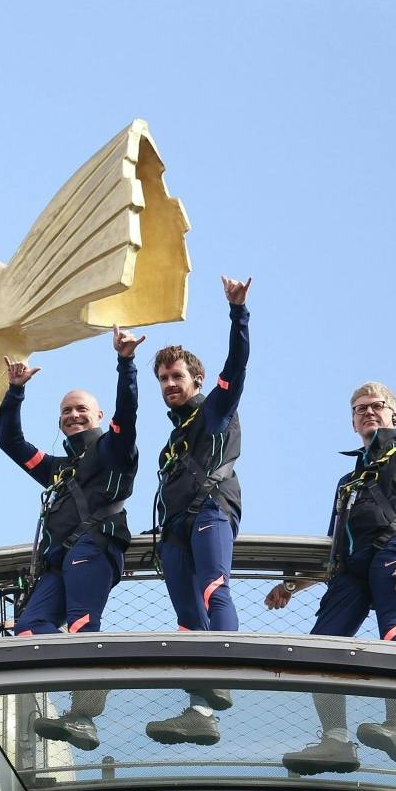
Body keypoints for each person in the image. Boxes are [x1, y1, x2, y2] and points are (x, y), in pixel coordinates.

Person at [272, 381, 396, 774]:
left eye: (376, 406)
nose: (368, 412)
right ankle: (335, 741)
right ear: (352, 421)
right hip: (349, 570)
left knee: (394, 634)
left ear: (393, 416)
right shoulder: (347, 482)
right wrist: (293, 586)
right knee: (320, 648)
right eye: (359, 409)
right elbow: (334, 550)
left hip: (393, 553)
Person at [0, 324, 142, 750]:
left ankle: (84, 716)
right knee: (28, 631)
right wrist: (15, 391)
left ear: (97, 417)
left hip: (95, 546)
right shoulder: (58, 468)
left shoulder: (113, 448)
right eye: (65, 412)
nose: (73, 415)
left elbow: (128, 413)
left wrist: (125, 362)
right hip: (57, 560)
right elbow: (11, 441)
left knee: (82, 624)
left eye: (81, 409)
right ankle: (74, 688)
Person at [146, 276, 254, 746]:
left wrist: (238, 312)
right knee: (188, 615)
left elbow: (238, 364)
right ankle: (199, 711)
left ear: (197, 380)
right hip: (174, 529)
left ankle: (222, 673)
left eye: (177, 377)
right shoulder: (173, 437)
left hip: (211, 510)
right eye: (164, 379)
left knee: (215, 590)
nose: (170, 384)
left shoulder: (214, 410)